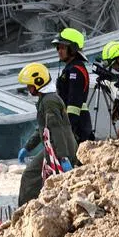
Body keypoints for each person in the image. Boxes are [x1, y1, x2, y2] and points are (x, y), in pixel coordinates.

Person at [15, 63, 77, 206]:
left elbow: (57, 130)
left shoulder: (49, 102)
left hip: (59, 149)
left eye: (29, 85)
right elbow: (43, 129)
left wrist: (63, 157)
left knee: (30, 177)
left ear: (38, 82)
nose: (28, 88)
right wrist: (28, 147)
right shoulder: (46, 100)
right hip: (54, 148)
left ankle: (25, 211)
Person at [52, 28, 94, 143]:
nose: (59, 51)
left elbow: (74, 103)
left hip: (77, 127)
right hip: (76, 124)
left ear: (73, 49)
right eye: (58, 48)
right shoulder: (71, 69)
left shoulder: (75, 71)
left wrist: (68, 129)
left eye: (63, 47)